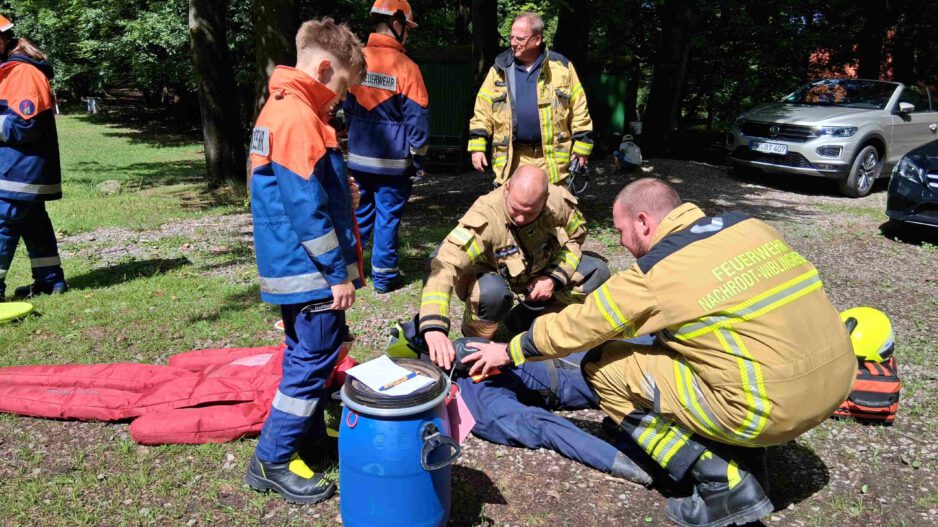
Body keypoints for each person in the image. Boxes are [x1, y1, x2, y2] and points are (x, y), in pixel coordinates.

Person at [461, 178, 858, 527]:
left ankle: (720, 479)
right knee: (678, 344)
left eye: (620, 232)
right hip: (838, 382)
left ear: (643, 223)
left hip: (768, 408)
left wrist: (510, 350)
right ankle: (743, 450)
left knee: (603, 364)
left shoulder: (658, 271)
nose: (621, 243)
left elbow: (580, 326)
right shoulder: (748, 226)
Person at [244, 18, 366, 504]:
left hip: (291, 264)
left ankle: (307, 438)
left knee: (307, 351)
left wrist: (344, 192)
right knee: (314, 357)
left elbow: (303, 187)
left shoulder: (284, 107)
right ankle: (272, 458)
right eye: (340, 87)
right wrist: (337, 274)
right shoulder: (296, 115)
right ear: (321, 66)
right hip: (308, 270)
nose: (340, 99)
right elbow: (304, 208)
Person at [395, 164, 609, 371]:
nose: (521, 218)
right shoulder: (486, 216)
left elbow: (576, 238)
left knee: (597, 272)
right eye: (515, 209)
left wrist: (553, 278)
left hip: (540, 270)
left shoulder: (557, 202)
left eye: (531, 212)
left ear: (544, 199)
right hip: (496, 277)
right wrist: (433, 326)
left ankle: (534, 325)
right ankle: (477, 340)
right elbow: (444, 264)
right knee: (491, 293)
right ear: (506, 188)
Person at [343, 0, 429, 293]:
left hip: (357, 158)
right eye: (408, 29)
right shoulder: (407, 67)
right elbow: (418, 120)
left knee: (359, 215)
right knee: (388, 218)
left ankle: (351, 276)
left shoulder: (356, 60)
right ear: (397, 23)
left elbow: (345, 106)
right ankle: (385, 277)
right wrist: (418, 159)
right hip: (394, 164)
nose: (409, 35)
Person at [468, 12, 593, 186]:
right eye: (511, 37)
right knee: (514, 209)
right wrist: (477, 147)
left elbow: (579, 109)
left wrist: (582, 148)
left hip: (552, 160)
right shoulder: (499, 69)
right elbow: (482, 112)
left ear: (537, 39)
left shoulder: (562, 67)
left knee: (555, 209)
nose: (513, 42)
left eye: (519, 38)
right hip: (513, 159)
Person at [0, 15, 67, 300]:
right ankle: (50, 281)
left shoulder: (23, 73)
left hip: (21, 170)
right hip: (19, 168)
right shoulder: (10, 70)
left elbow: (24, 125)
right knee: (32, 222)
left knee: (2, 223)